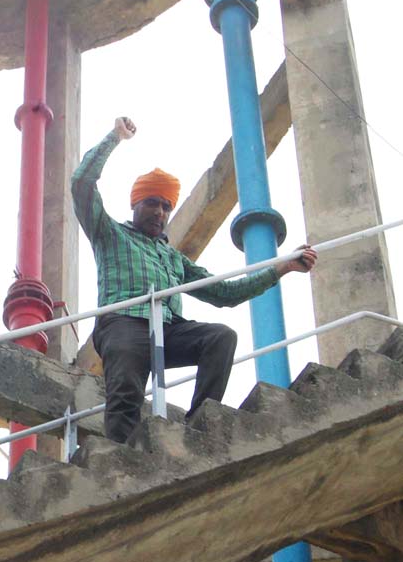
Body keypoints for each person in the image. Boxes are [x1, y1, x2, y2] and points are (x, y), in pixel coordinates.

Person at [71, 117, 318, 444]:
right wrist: (115, 137)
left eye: (166, 206)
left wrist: (282, 268)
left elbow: (225, 293)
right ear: (135, 205)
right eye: (152, 203)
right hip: (123, 321)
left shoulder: (173, 258)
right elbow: (82, 183)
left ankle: (200, 425)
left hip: (170, 327)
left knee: (220, 338)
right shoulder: (110, 233)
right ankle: (123, 458)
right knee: (126, 390)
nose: (160, 212)